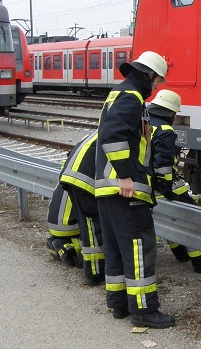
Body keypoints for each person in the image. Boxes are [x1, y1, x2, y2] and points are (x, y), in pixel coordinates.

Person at [95, 51, 176, 329]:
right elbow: (113, 136)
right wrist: (127, 176)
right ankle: (144, 310)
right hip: (125, 189)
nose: (156, 87)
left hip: (107, 188)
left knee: (117, 249)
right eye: (157, 81)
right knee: (140, 248)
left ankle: (119, 304)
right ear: (149, 75)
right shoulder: (131, 97)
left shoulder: (119, 94)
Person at [146, 90, 201, 274]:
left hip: (146, 185)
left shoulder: (145, 124)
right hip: (164, 187)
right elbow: (163, 167)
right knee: (193, 222)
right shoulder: (165, 131)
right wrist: (166, 189)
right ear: (173, 113)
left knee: (169, 219)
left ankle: (181, 253)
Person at [60, 131, 105, 286]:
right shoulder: (122, 131)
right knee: (93, 227)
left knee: (89, 226)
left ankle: (94, 269)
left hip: (73, 176)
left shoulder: (104, 128)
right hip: (84, 181)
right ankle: (94, 273)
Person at [46, 183, 82, 267]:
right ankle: (67, 247)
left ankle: (55, 243)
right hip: (69, 225)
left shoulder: (67, 172)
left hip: (54, 223)